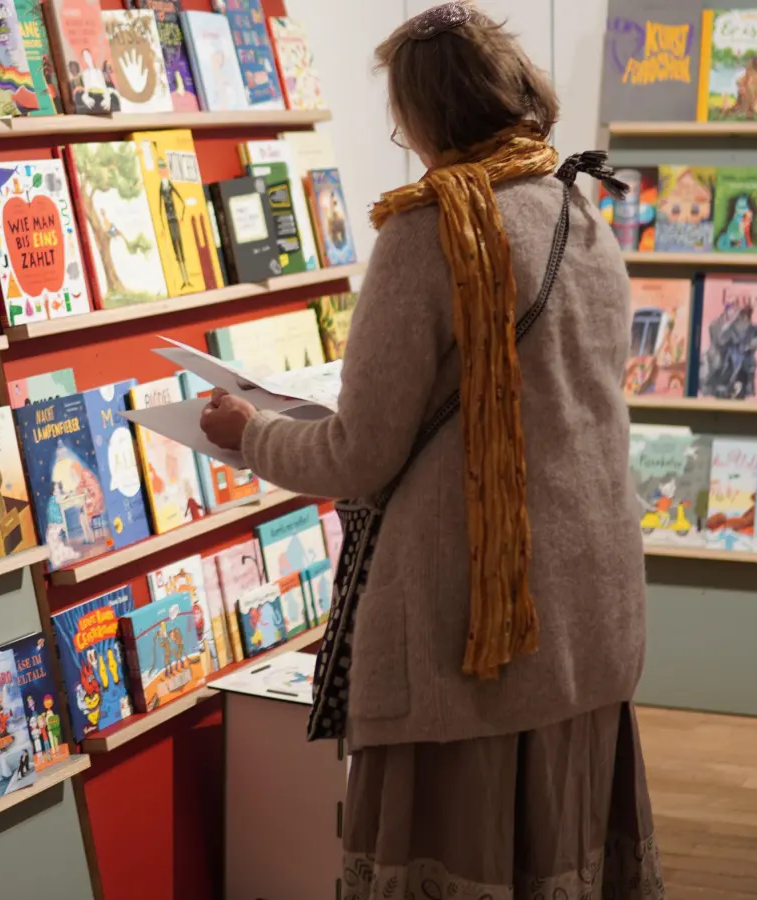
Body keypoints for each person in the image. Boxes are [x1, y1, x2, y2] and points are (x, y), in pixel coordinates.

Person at [198, 5, 660, 898]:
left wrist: (245, 432)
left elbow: (359, 455)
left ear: (424, 115)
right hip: (589, 611)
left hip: (472, 635)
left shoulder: (427, 234)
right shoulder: (581, 213)